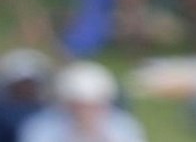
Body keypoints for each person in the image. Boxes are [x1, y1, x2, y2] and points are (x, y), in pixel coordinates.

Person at [19, 60, 147, 142]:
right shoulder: (41, 126)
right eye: (80, 106)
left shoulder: (123, 126)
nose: (86, 112)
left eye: (94, 105)